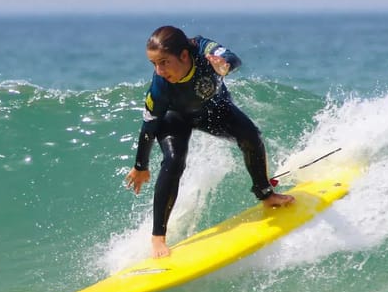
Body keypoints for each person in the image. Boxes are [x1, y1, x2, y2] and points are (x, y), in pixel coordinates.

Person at [125, 25, 294, 258]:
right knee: (174, 162)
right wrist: (140, 166)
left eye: (164, 62)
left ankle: (266, 194)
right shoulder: (159, 88)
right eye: (154, 64)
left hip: (214, 110)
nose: (159, 70)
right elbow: (149, 127)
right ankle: (158, 238)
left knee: (251, 136)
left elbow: (232, 58)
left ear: (184, 56)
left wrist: (224, 66)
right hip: (175, 119)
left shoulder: (202, 48)